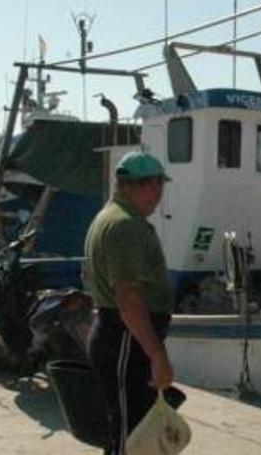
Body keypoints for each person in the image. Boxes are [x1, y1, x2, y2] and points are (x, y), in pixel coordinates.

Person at [83, 151, 175, 455]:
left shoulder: (111, 217)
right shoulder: (125, 226)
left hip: (121, 336)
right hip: (126, 339)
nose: (158, 194)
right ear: (132, 186)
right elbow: (128, 299)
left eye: (160, 186)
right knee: (132, 434)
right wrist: (158, 355)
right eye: (155, 186)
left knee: (131, 427)